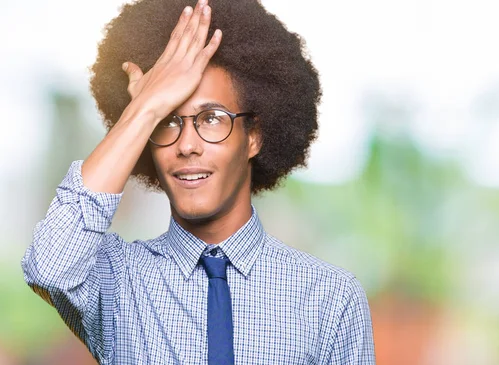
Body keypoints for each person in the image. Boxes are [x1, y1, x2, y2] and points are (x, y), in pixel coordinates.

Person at [21, 0, 375, 363]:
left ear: (253, 136)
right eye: (168, 122)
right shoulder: (116, 280)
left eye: (211, 119)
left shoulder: (329, 298)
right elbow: (49, 267)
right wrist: (144, 110)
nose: (187, 145)